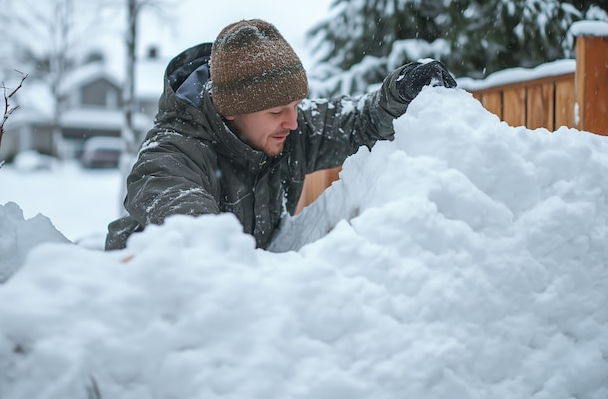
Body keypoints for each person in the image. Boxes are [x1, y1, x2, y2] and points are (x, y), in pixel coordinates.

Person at [105, 19, 456, 251]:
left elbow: (361, 122)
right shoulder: (171, 152)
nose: (293, 121)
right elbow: (194, 238)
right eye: (276, 111)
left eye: (296, 105)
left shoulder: (286, 131)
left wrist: (401, 91)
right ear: (232, 110)